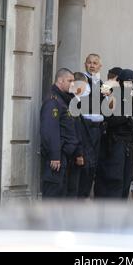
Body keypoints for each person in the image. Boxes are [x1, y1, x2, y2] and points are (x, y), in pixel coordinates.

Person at [94, 69, 133, 199]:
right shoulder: (112, 96)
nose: (129, 85)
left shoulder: (130, 99)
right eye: (127, 82)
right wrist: (125, 117)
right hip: (115, 144)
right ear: (121, 82)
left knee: (126, 180)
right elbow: (107, 119)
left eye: (132, 83)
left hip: (127, 145)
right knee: (114, 180)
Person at [40, 68, 83, 198]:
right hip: (57, 158)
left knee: (64, 195)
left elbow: (74, 128)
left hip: (67, 157)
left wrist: (78, 152)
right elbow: (50, 130)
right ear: (60, 80)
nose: (73, 84)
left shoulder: (66, 100)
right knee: (54, 195)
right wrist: (55, 155)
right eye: (70, 81)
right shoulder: (53, 100)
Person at [70, 72, 102, 198]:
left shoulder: (98, 86)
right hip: (78, 154)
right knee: (76, 190)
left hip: (88, 152)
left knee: (84, 188)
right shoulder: (72, 102)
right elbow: (75, 132)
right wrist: (79, 154)